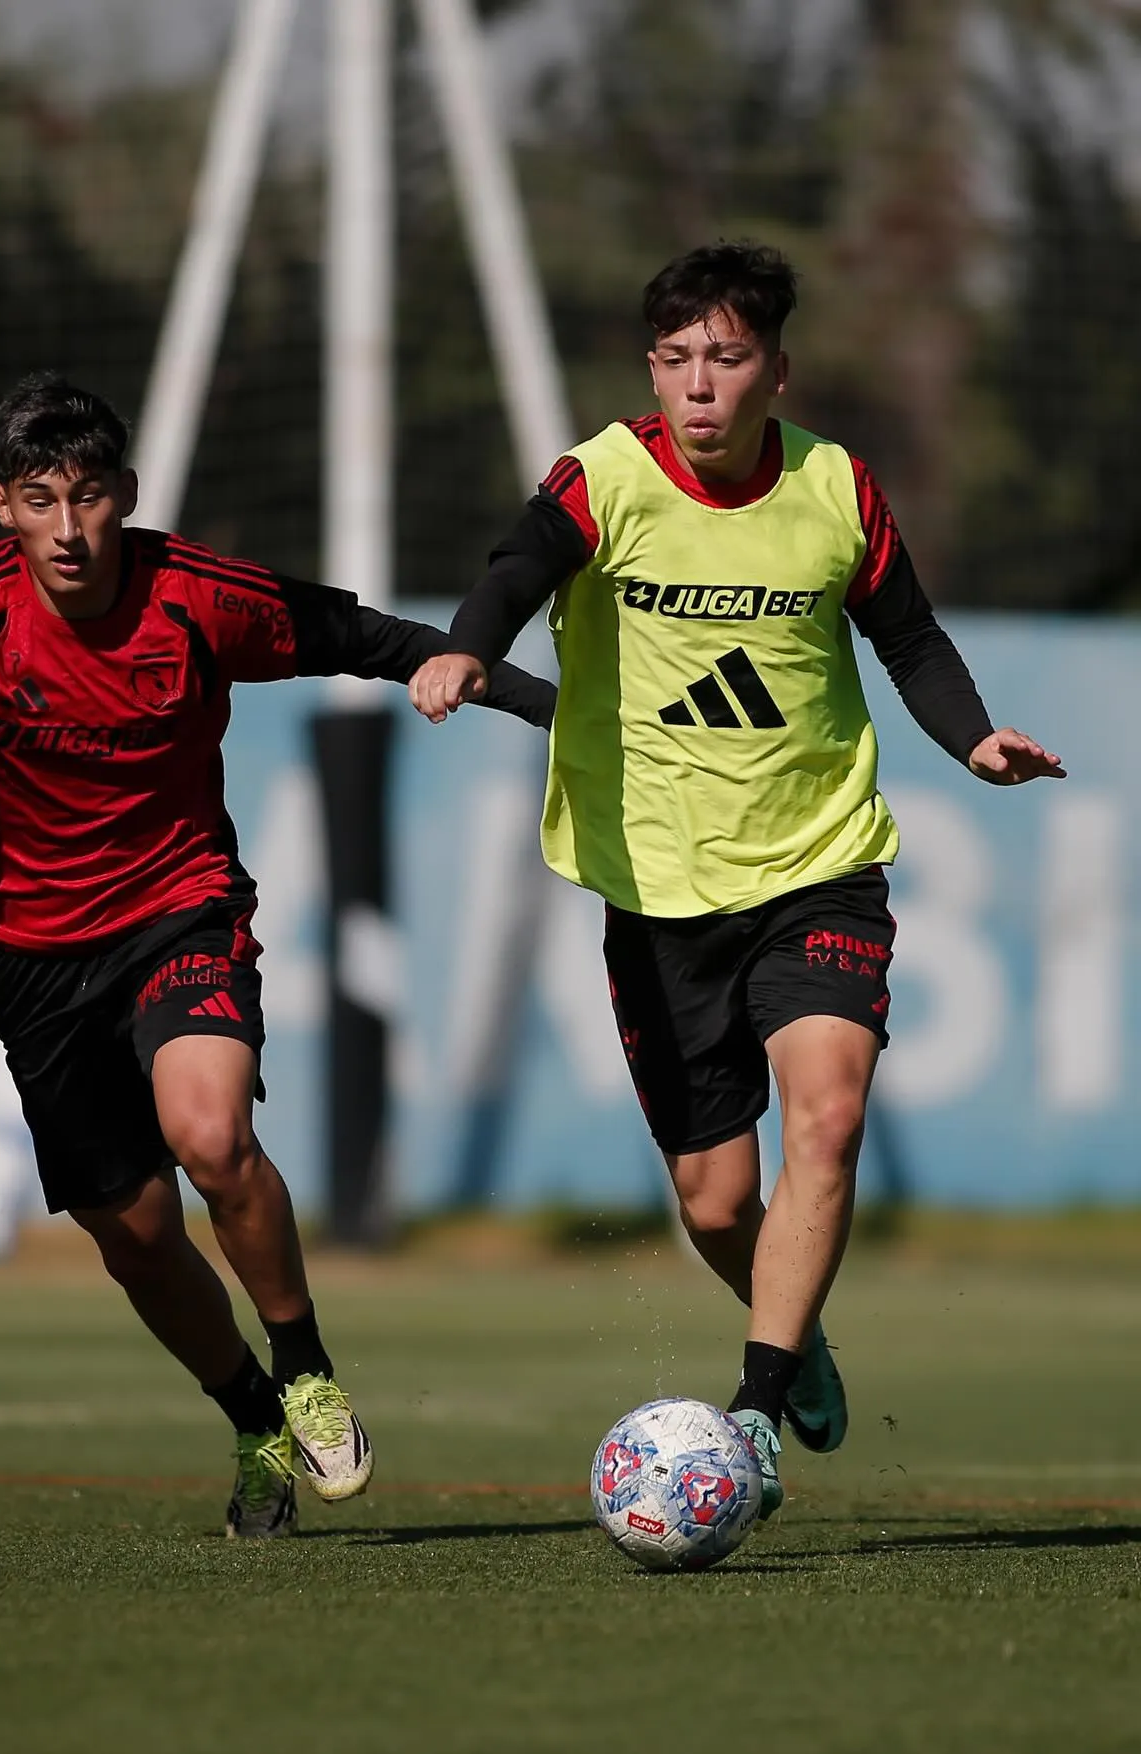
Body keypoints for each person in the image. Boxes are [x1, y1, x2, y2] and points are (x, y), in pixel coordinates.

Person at [0, 372, 555, 1539]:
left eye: (92, 496)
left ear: (126, 496)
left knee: (212, 1136)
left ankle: (304, 1367)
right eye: (42, 499)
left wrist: (522, 694)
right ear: (3, 506)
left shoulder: (197, 596)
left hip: (179, 909)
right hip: (37, 957)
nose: (69, 527)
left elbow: (368, 636)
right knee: (137, 1235)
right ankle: (253, 1417)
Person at [408, 241, 1063, 1518]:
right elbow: (514, 569)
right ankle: (798, 1334)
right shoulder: (602, 479)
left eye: (725, 357)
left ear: (776, 370)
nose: (697, 387)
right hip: (654, 888)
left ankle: (754, 1414)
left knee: (828, 1114)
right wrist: (463, 652)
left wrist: (972, 737)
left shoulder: (835, 487)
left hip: (818, 862)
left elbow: (910, 638)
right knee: (718, 1203)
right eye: (674, 361)